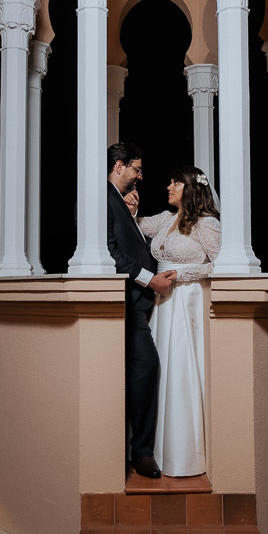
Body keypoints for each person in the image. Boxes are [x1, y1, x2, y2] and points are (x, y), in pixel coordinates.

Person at [126, 166, 220, 477]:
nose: (168, 186)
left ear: (191, 188)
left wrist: (181, 275)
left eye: (175, 182)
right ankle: (151, 448)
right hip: (159, 302)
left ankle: (182, 455)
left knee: (179, 369)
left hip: (186, 301)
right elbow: (135, 225)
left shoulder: (208, 224)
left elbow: (218, 265)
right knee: (158, 369)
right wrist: (131, 207)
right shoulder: (166, 219)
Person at [106, 142, 176, 480]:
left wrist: (133, 215)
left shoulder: (120, 201)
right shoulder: (100, 198)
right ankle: (141, 452)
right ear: (119, 166)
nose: (140, 176)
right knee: (146, 368)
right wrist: (151, 281)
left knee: (142, 372)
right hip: (123, 301)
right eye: (135, 168)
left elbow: (131, 243)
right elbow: (111, 254)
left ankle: (139, 449)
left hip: (136, 303)